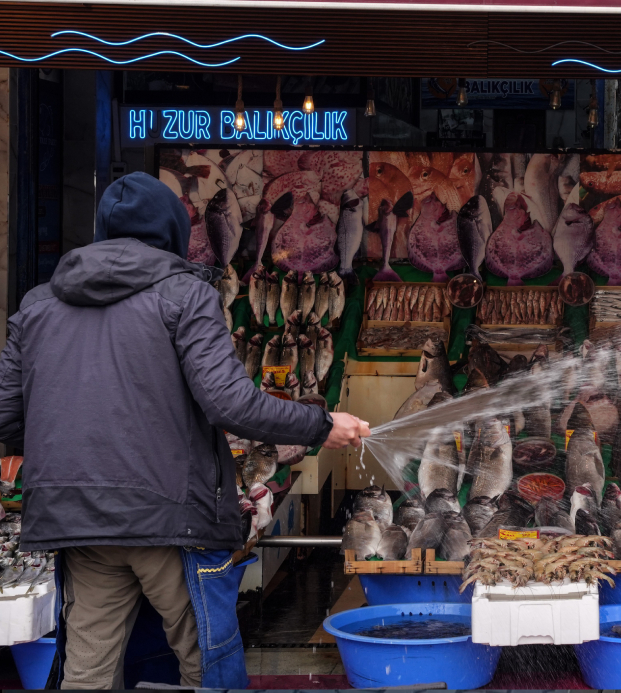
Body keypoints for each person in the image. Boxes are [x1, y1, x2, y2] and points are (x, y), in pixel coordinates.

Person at [0, 172, 370, 688]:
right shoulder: (185, 296)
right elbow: (227, 401)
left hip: (77, 521)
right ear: (173, 234)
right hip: (171, 520)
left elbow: (7, 416)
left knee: (87, 672)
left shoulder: (38, 306)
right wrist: (319, 423)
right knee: (205, 667)